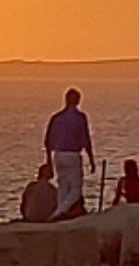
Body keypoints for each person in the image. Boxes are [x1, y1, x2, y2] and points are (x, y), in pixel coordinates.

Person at [44, 88, 95, 220]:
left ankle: (61, 211)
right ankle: (60, 212)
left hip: (58, 154)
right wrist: (91, 159)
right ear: (78, 101)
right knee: (75, 188)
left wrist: (49, 160)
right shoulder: (80, 118)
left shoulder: (56, 117)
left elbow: (48, 140)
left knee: (63, 186)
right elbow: (85, 139)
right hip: (72, 154)